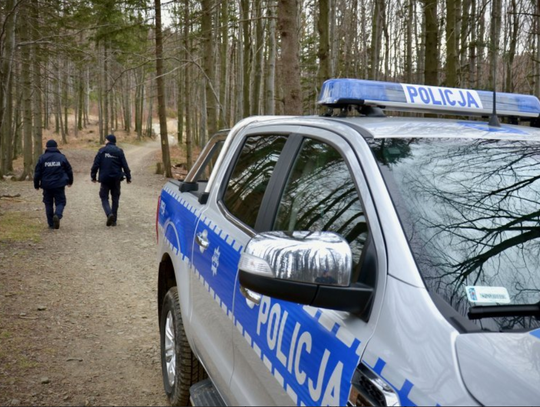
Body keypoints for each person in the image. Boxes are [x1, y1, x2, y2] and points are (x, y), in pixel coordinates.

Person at [91, 134, 132, 226]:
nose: (105, 141)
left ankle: (109, 214)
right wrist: (128, 177)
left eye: (105, 140)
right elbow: (125, 165)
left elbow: (95, 164)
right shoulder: (119, 151)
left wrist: (93, 176)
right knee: (115, 197)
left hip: (105, 178)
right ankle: (114, 220)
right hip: (116, 178)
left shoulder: (102, 151)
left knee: (104, 196)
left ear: (108, 141)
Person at [34, 139, 73, 229]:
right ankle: (58, 215)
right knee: (61, 202)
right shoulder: (61, 157)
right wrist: (70, 181)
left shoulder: (42, 158)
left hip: (46, 185)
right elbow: (69, 170)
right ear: (56, 147)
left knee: (48, 203)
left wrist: (36, 184)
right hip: (59, 184)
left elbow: (37, 173)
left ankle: (51, 224)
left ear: (46, 147)